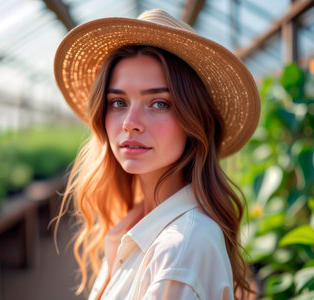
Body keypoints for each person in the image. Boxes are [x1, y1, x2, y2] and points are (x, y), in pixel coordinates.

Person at [53, 9, 260, 300]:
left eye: (159, 103)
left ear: (194, 120)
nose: (129, 123)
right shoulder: (139, 223)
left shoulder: (179, 251)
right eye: (118, 102)